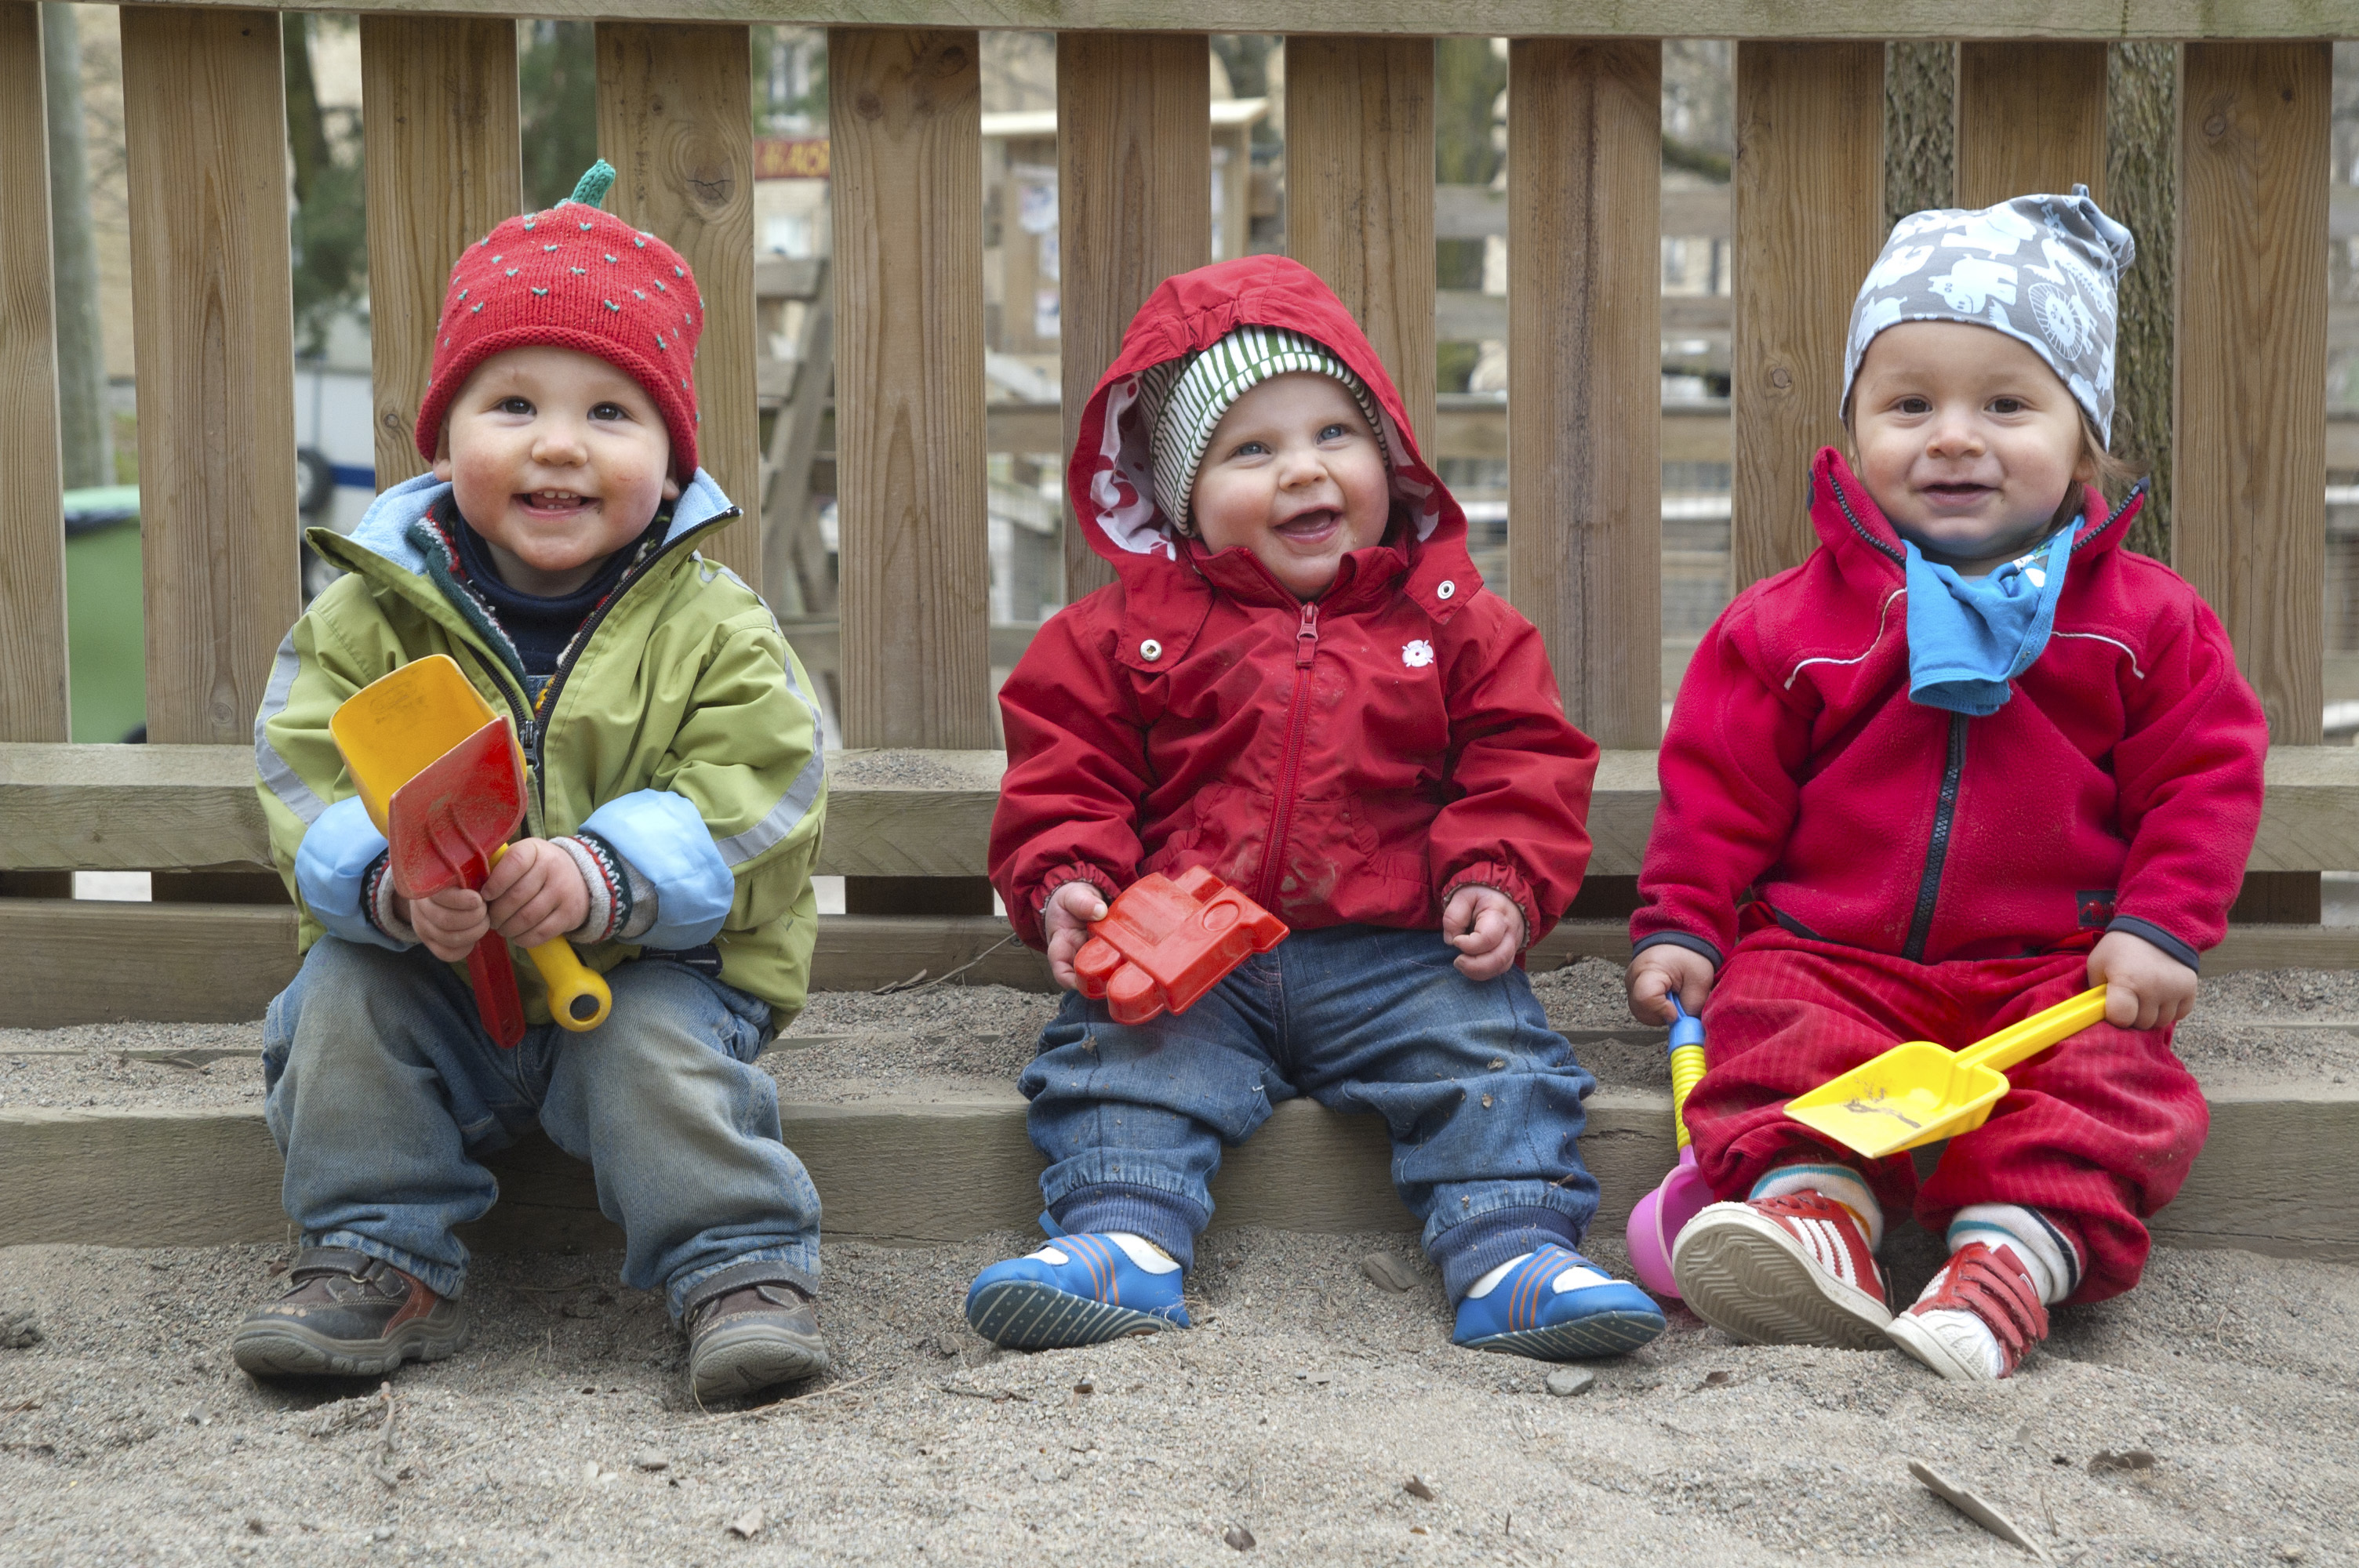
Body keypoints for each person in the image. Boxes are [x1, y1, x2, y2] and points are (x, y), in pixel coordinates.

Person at [965, 255, 1665, 1360]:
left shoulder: (1453, 626)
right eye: (1252, 449)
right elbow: (1069, 766)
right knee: (1121, 1055)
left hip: (1400, 952)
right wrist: (1072, 879)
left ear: (1387, 455)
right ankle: (1119, 1243)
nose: (1304, 470)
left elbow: (1520, 757)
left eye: (1335, 436)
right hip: (1189, 948)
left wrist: (1497, 876)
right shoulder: (1124, 631)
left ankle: (1515, 1255)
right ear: (1183, 493)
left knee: (1490, 1051)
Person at [1627, 189, 2267, 1381]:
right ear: (1856, 427)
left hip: (2055, 975)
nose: (1954, 436)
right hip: (1837, 952)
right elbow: (1719, 794)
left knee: (2116, 1087)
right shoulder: (1795, 625)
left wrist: (2159, 929)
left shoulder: (2144, 624)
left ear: (2084, 439)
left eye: (2007, 405)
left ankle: (2009, 1261)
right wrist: (1686, 923)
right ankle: (1820, 1223)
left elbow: (2203, 780)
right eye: (1909, 403)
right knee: (1768, 1032)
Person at [236, 163, 833, 1402]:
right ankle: (368, 1250)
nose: (558, 442)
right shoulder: (366, 617)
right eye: (511, 404)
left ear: (673, 462)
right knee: (341, 1010)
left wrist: (606, 876)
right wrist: (393, 887)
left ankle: (732, 1265)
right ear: (441, 435)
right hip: (432, 972)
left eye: (612, 414)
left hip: (648, 967)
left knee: (658, 1057)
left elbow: (770, 789)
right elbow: (298, 774)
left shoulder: (714, 624)